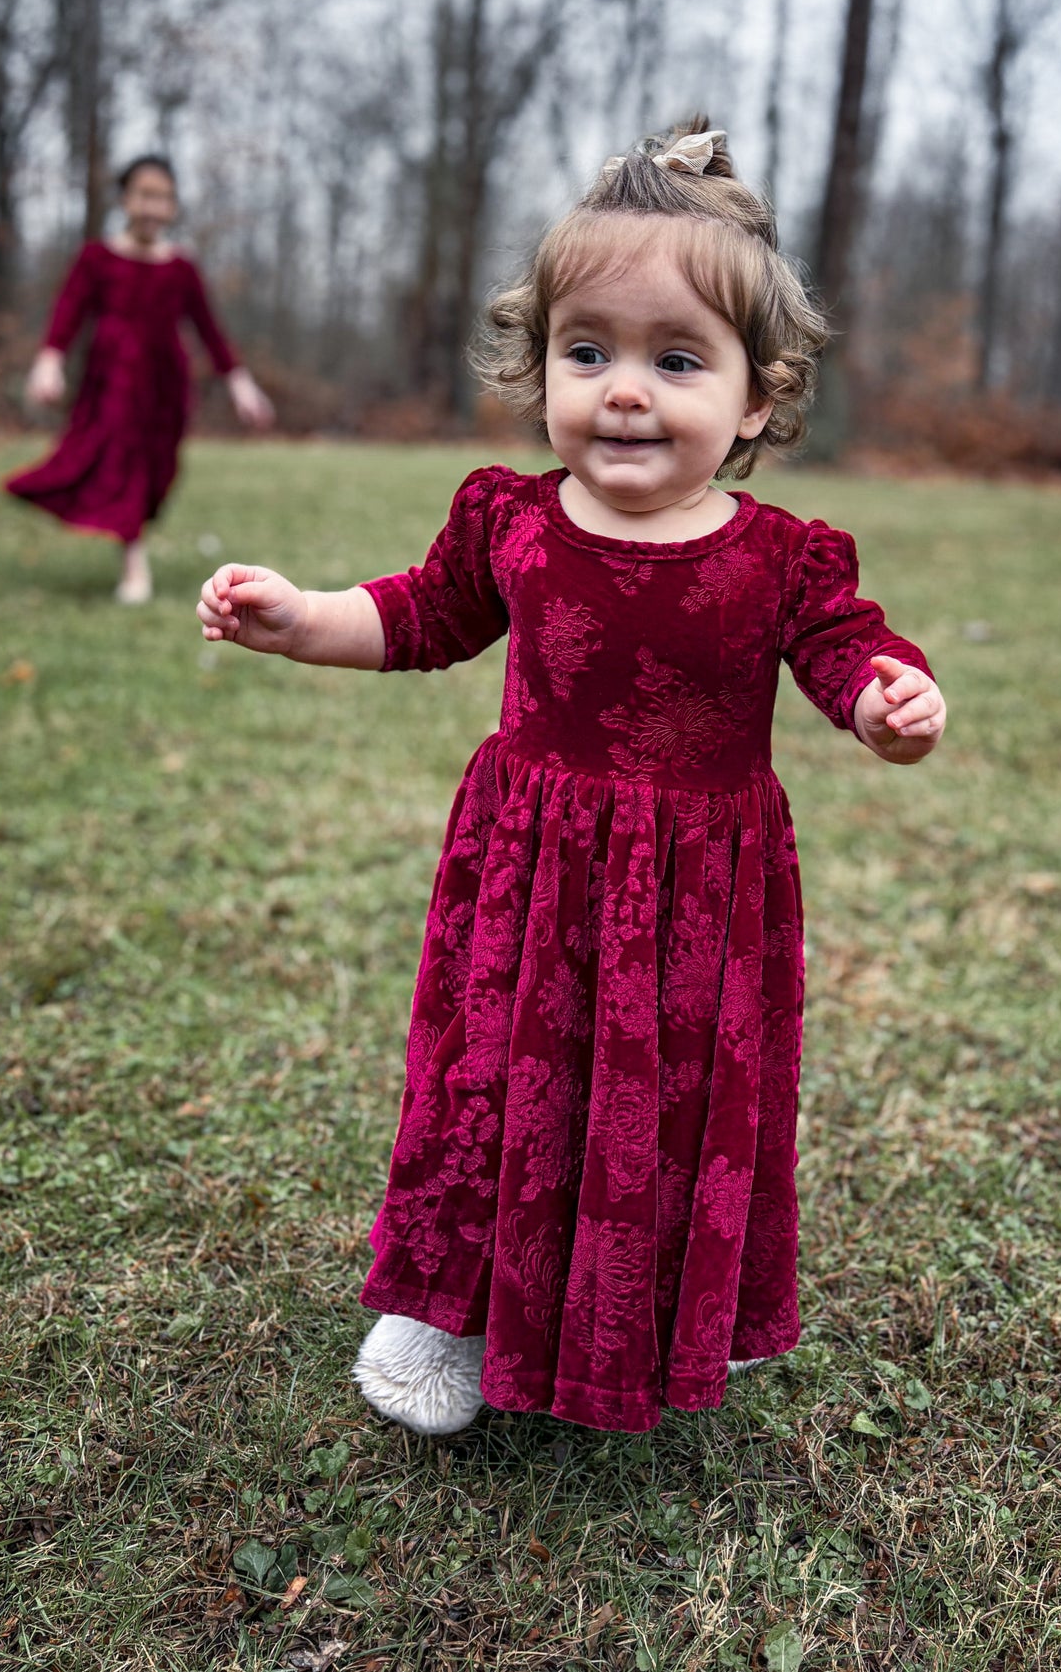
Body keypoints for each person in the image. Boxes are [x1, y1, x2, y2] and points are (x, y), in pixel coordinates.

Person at [195, 119, 947, 1435]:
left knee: (672, 1107)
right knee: (494, 1088)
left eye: (675, 360)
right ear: (538, 363)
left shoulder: (783, 559)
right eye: (586, 351)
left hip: (700, 895)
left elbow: (846, 656)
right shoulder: (512, 520)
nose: (625, 391)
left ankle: (673, 1312)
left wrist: (891, 702)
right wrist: (301, 617)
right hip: (531, 878)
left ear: (755, 397)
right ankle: (446, 1313)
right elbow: (418, 617)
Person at [6, 155, 273, 603]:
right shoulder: (97, 258)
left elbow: (209, 329)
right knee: (119, 462)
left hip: (165, 388)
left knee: (155, 471)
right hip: (111, 380)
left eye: (164, 198)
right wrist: (49, 360)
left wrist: (240, 382)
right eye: (145, 195)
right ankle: (135, 569)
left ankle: (130, 536)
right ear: (126, 199)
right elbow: (68, 312)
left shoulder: (181, 267)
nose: (154, 207)